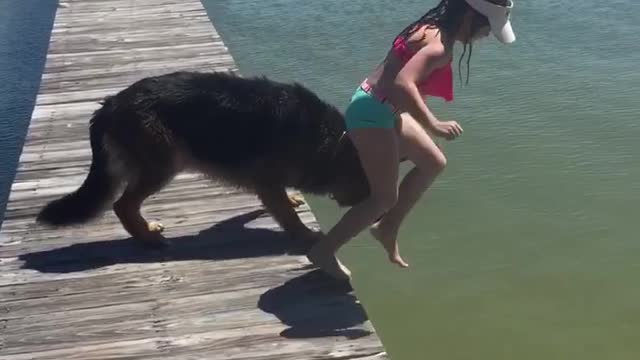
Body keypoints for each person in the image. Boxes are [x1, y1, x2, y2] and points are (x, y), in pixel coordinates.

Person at [307, 0, 516, 279]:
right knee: (383, 198)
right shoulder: (440, 47)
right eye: (487, 27)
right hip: (372, 114)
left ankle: (387, 228)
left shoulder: (430, 27)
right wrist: (434, 124)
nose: (487, 35)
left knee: (433, 162)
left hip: (376, 105)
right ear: (469, 17)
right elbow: (403, 82)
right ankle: (323, 251)